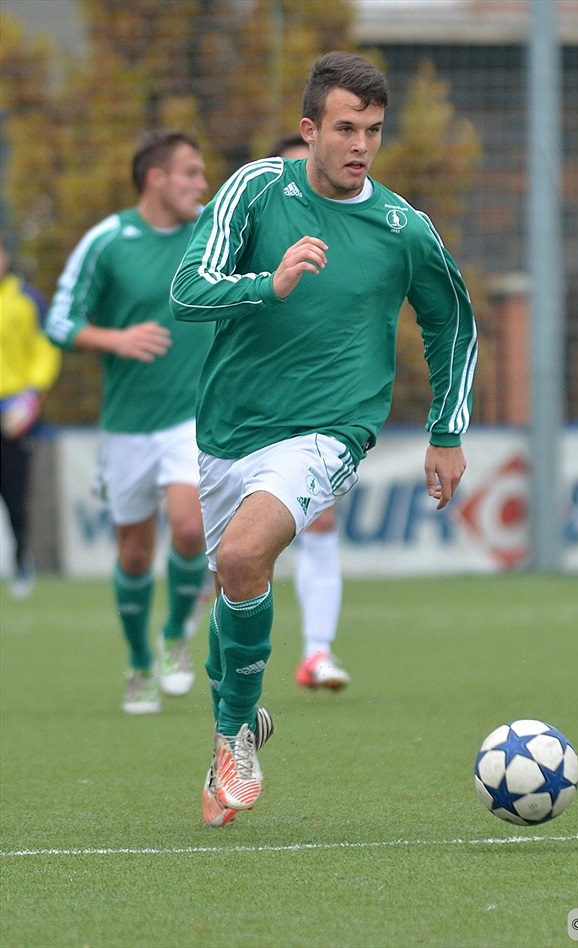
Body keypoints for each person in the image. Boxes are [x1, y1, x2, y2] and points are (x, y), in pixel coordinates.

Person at [170, 51, 478, 827]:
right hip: (230, 428)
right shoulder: (256, 189)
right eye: (345, 127)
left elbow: (451, 321)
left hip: (331, 430)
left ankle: (233, 733)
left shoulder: (403, 227)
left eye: (373, 130)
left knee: (242, 558)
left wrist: (447, 430)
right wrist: (265, 284)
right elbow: (187, 290)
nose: (361, 144)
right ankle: (238, 718)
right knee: (231, 584)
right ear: (308, 131)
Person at [46, 131, 212, 715]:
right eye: (190, 172)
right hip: (126, 425)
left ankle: (175, 639)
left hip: (191, 417)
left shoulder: (211, 234)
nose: (201, 183)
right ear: (156, 179)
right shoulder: (109, 240)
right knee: (135, 554)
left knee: (190, 529)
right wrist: (116, 337)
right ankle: (139, 662)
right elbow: (60, 321)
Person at [267, 133, 349, 692]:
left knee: (321, 519)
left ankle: (317, 655)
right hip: (246, 407)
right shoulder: (249, 229)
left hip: (316, 405)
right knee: (227, 553)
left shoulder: (348, 238)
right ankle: (183, 634)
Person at [0, 232, 62, 599]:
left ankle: (23, 561)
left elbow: (45, 348)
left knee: (15, 494)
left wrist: (31, 397)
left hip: (14, 411)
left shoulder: (27, 299)